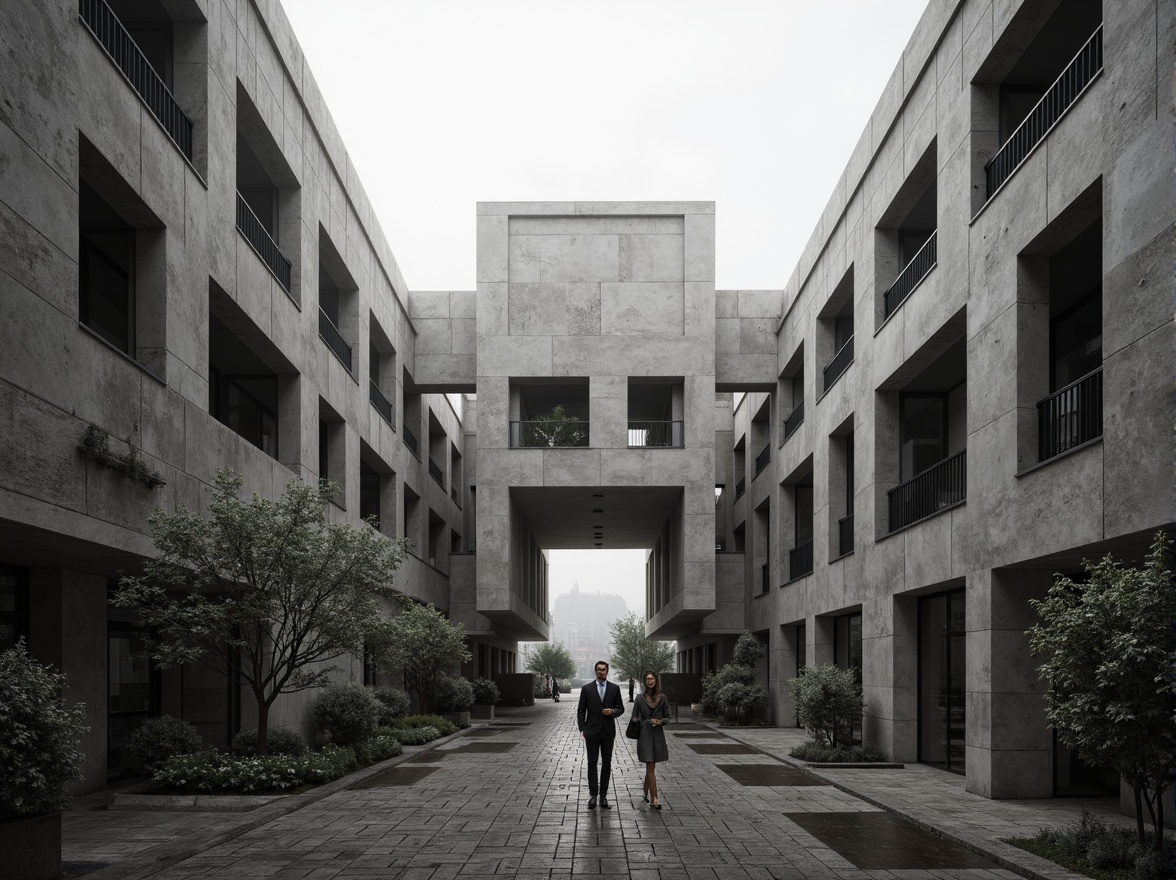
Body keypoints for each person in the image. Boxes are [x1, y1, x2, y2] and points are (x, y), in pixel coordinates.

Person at [577, 660, 625, 809]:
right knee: (592, 762)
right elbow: (581, 710)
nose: (601, 672)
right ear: (595, 671)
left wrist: (613, 712)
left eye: (603, 669)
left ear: (607, 671)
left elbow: (620, 708)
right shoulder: (587, 689)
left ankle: (603, 796)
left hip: (608, 732)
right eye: (598, 669)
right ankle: (593, 795)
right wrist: (582, 728)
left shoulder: (614, 688)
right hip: (591, 732)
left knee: (606, 763)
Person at [635, 669, 670, 809]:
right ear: (645, 681)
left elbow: (668, 716)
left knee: (651, 767)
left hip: (657, 736)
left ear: (656, 680)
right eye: (647, 679)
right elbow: (634, 716)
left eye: (652, 678)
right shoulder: (639, 698)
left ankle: (645, 792)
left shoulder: (663, 698)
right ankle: (655, 799)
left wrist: (660, 722)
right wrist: (642, 721)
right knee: (650, 767)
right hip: (645, 735)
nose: (650, 681)